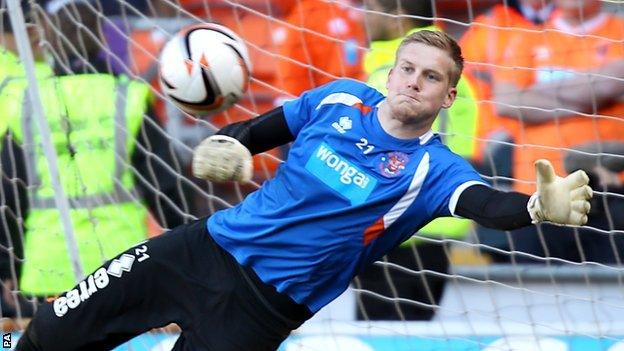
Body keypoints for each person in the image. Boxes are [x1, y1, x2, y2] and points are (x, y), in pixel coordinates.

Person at [16, 30, 592, 351]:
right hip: (200, 250)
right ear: (389, 75)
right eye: (407, 68)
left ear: (447, 97)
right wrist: (229, 144)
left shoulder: (433, 170)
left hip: (259, 309)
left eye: (432, 76)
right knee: (53, 335)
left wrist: (539, 206)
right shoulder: (339, 99)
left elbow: (487, 204)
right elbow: (252, 132)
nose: (415, 80)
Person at [0, 0, 186, 311]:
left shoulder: (25, 103)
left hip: (45, 271)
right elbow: (167, 188)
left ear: (48, 40)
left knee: (12, 341)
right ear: (99, 36)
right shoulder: (128, 96)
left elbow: (9, 195)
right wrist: (185, 253)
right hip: (120, 266)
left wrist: (6, 269)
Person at [356, 0, 480, 321]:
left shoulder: (392, 75)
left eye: (370, 8)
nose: (363, 17)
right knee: (415, 335)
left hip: (390, 224)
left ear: (397, 16)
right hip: (439, 224)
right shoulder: (454, 75)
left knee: (378, 335)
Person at [490, 0, 624, 262]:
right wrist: (591, 97)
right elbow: (505, 102)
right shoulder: (526, 39)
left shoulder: (620, 32)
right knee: (534, 293)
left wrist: (532, 98)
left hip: (611, 191)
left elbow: (611, 84)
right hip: (538, 194)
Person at [272, 0, 367, 98]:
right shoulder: (309, 15)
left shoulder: (353, 15)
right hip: (326, 103)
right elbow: (291, 71)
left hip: (352, 99)